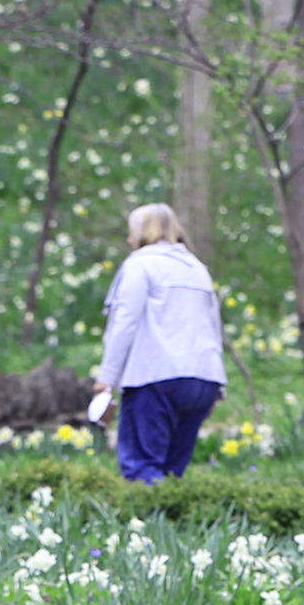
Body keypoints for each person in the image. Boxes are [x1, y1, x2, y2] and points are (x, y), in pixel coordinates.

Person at [92, 202, 226, 484]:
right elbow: (213, 327)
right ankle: (175, 523)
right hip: (202, 379)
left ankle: (147, 525)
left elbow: (124, 322)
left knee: (142, 467)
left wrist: (107, 378)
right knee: (172, 473)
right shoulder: (197, 268)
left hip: (155, 375)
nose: (129, 240)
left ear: (143, 233)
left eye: (132, 233)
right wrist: (216, 386)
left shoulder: (140, 265)